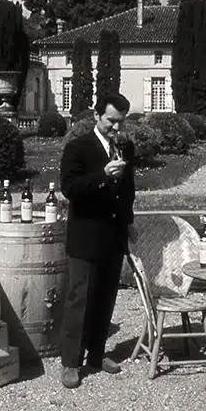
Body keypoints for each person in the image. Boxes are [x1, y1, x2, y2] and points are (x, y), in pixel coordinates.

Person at [58, 92, 138, 389]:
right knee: (79, 299)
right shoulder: (78, 148)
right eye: (111, 121)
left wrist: (128, 222)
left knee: (105, 297)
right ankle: (70, 362)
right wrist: (102, 175)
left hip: (113, 235)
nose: (116, 128)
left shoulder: (126, 148)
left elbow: (129, 189)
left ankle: (96, 355)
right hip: (85, 235)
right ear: (96, 116)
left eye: (120, 122)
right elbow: (70, 188)